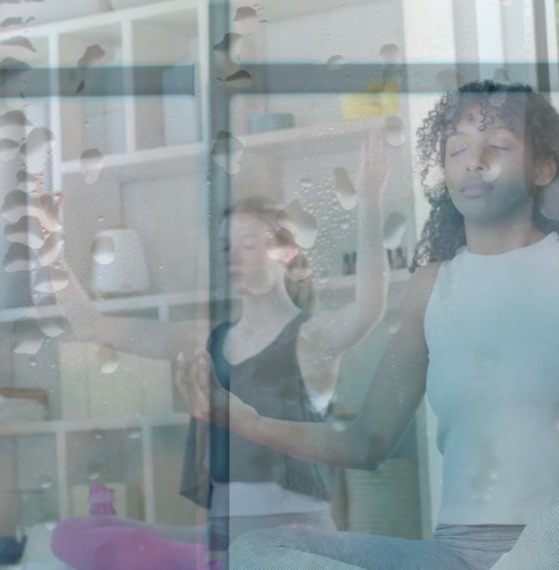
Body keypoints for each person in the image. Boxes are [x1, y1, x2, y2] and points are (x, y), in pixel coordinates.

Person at [174, 80, 559, 569]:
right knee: (256, 552)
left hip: (557, 546)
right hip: (450, 554)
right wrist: (243, 420)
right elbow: (368, 441)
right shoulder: (429, 288)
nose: (472, 163)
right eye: (457, 150)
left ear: (543, 169)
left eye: (496, 147)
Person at [48, 131, 394, 568]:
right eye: (228, 246)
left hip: (296, 543)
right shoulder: (205, 339)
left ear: (286, 251)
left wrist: (370, 201)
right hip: (224, 540)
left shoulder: (310, 340)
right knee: (76, 536)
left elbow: (368, 307)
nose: (234, 256)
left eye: (249, 244)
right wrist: (50, 248)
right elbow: (91, 325)